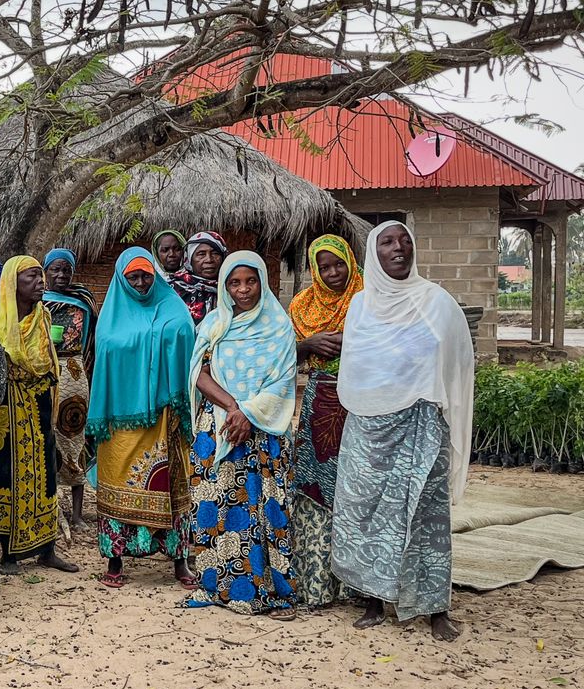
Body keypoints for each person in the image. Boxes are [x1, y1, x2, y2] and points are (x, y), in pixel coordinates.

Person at [332, 221, 474, 642]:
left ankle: (436, 609)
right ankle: (374, 599)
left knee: (426, 516)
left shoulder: (436, 302)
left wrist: (435, 397)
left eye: (405, 241)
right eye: (388, 242)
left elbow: (460, 359)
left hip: (420, 423)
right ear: (373, 254)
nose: (399, 249)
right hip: (368, 425)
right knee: (366, 511)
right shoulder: (361, 305)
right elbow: (357, 366)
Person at [184, 251, 297, 618]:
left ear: (263, 281)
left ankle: (272, 591)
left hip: (264, 429)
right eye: (235, 282)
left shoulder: (279, 326)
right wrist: (234, 407)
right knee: (216, 506)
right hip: (220, 425)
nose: (243, 289)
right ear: (224, 286)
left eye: (250, 281)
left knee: (264, 507)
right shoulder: (215, 324)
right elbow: (199, 374)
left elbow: (283, 379)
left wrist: (249, 413)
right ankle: (215, 585)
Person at [86, 248, 196, 589]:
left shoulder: (172, 306)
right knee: (118, 482)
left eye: (146, 276)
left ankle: (180, 561)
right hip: (119, 421)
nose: (140, 283)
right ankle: (116, 561)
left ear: (155, 276)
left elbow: (185, 332)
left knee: (171, 485)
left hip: (164, 417)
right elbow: (105, 353)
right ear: (122, 279)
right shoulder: (110, 316)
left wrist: (156, 335)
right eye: (132, 277)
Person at [288, 234, 363, 608]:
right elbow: (285, 356)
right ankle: (315, 582)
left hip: (366, 398)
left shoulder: (369, 296)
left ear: (351, 261)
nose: (333, 273)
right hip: (321, 400)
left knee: (358, 484)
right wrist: (309, 344)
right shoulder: (302, 305)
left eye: (339, 264)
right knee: (316, 487)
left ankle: (360, 585)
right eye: (324, 267)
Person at [0, 255, 77, 575]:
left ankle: (47, 549)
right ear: (13, 284)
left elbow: (48, 362)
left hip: (40, 405)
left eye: (40, 276)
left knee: (45, 476)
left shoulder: (43, 318)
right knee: (8, 475)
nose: (40, 282)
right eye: (31, 277)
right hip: (10, 408)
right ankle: (8, 554)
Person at [41, 248, 97, 530]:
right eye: (55, 270)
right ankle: (49, 507)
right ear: (45, 271)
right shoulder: (36, 301)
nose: (61, 275)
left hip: (74, 374)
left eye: (66, 270)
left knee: (74, 438)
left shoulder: (83, 301)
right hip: (43, 371)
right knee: (44, 439)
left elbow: (92, 341)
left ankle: (76, 514)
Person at [170, 230, 228, 324]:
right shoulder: (172, 291)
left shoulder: (233, 288)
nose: (209, 260)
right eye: (201, 254)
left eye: (215, 253)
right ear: (189, 259)